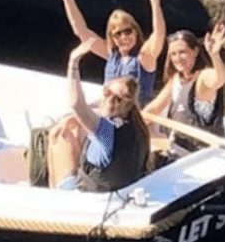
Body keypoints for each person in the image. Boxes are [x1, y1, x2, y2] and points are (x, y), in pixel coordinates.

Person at [51, 0, 168, 103]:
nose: (123, 37)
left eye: (128, 31)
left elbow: (159, 34)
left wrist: (155, 1)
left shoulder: (144, 58)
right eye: (118, 34)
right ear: (112, 38)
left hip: (133, 115)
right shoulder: (112, 56)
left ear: (135, 31)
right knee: (70, 114)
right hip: (109, 111)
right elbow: (81, 31)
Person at [50, 43, 151, 192]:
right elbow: (93, 110)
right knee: (77, 132)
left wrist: (73, 63)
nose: (109, 100)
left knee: (59, 135)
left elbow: (76, 104)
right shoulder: (137, 125)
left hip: (88, 197)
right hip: (120, 190)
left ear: (127, 104)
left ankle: (53, 193)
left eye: (116, 99)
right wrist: (75, 118)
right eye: (107, 93)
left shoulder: (106, 130)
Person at [143, 23, 225, 159]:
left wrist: (215, 55)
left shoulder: (203, 79)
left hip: (203, 155)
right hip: (178, 150)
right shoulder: (176, 79)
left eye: (182, 52)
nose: (177, 58)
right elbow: (153, 109)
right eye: (173, 54)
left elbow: (220, 79)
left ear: (195, 51)